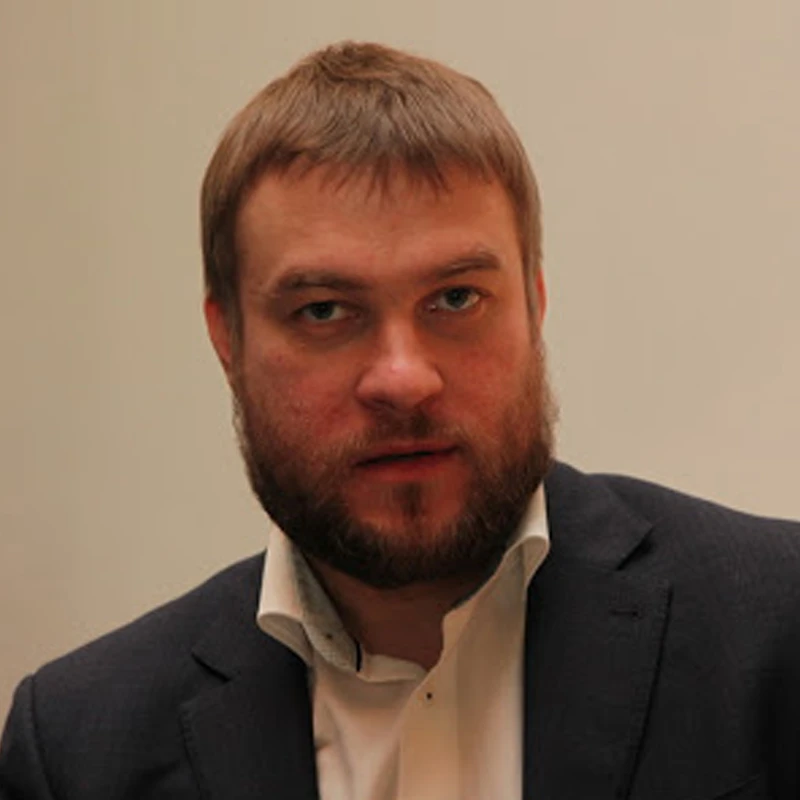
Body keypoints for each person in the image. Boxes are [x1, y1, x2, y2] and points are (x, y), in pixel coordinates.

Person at [1, 40, 799, 800]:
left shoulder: (776, 630)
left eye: (456, 298)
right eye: (323, 310)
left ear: (535, 304)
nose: (403, 379)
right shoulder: (81, 750)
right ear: (227, 341)